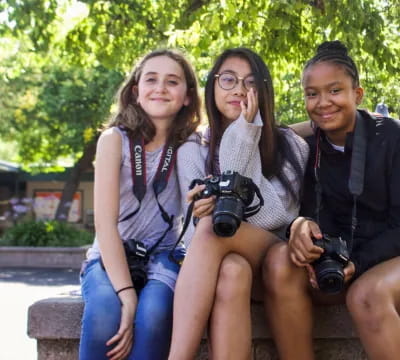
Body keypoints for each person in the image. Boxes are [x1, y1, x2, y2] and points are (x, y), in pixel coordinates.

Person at [262, 40, 400, 360]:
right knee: (277, 261)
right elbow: (306, 206)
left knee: (367, 295)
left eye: (335, 91)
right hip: (339, 262)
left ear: (358, 94)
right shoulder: (308, 146)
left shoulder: (397, 136)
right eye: (312, 94)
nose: (323, 102)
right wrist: (299, 225)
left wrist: (358, 263)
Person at [168, 48, 309, 360]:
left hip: (276, 258)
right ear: (213, 86)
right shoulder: (192, 149)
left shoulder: (291, 145)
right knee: (231, 268)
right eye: (228, 79)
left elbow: (275, 215)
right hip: (222, 267)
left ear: (264, 91)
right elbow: (192, 238)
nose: (239, 90)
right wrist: (203, 211)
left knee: (212, 229)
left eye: (250, 82)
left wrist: (246, 133)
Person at [79, 49, 201, 360]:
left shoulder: (191, 144)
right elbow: (104, 225)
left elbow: (255, 132)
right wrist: (126, 294)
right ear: (136, 91)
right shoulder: (113, 140)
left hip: (164, 255)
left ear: (187, 96)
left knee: (155, 313)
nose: (160, 88)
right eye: (151, 79)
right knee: (106, 310)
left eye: (172, 81)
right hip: (111, 251)